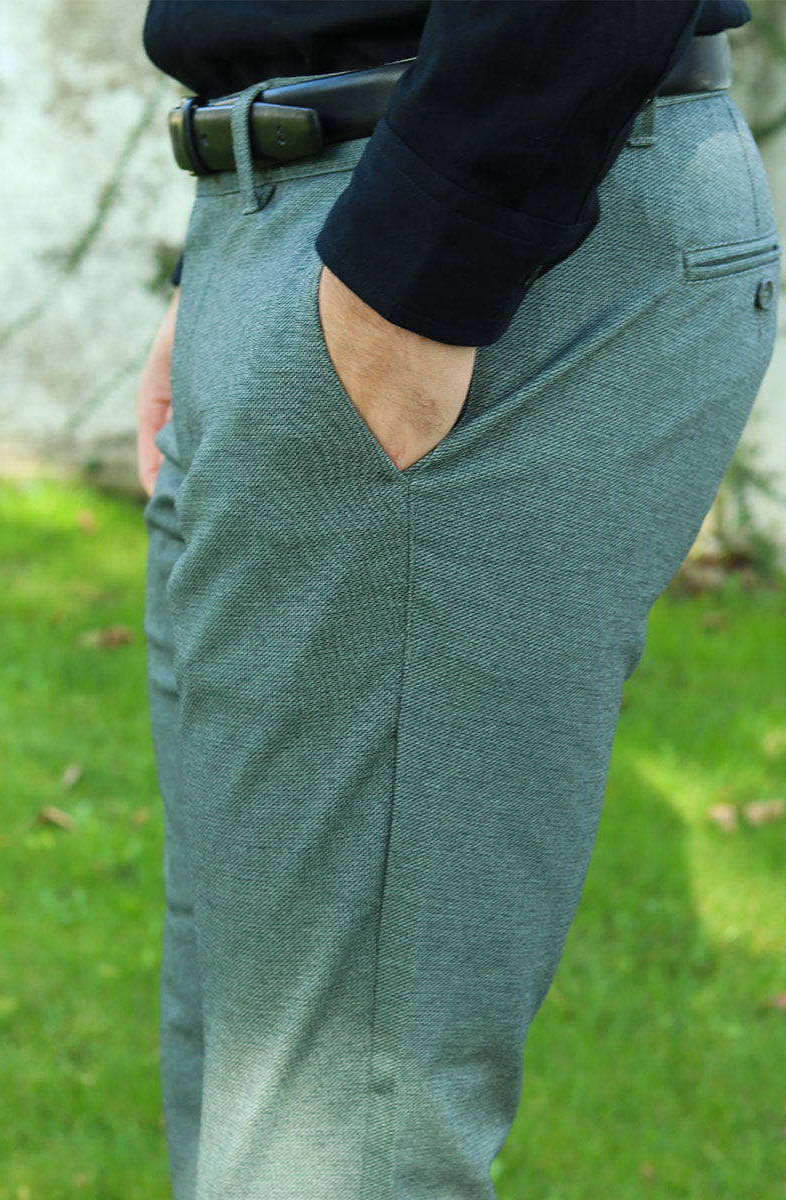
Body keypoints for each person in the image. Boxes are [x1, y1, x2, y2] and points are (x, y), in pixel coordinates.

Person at [135, 3, 780, 1198]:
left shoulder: (422, 264)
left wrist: (417, 267)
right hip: (302, 223)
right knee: (244, 1059)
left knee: (332, 1136)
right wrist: (225, 253)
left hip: (470, 241)